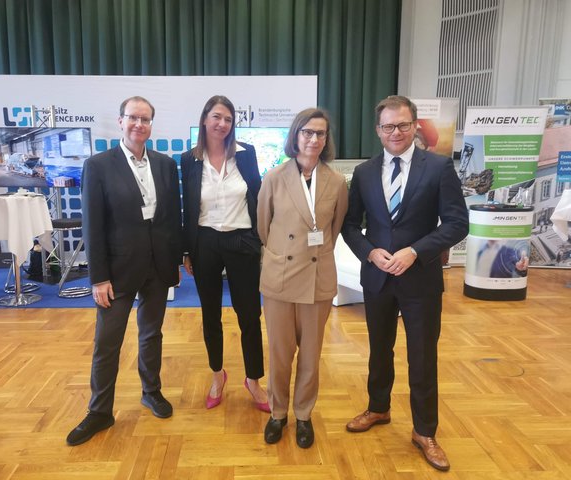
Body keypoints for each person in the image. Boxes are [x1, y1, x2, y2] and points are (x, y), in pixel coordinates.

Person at [342, 95, 468, 471]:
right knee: (379, 351)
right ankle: (378, 408)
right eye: (387, 126)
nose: (395, 132)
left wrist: (416, 251)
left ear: (414, 125)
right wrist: (369, 252)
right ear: (378, 130)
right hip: (378, 278)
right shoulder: (364, 172)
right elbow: (350, 225)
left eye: (402, 125)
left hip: (421, 280)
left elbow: (457, 223)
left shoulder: (440, 168)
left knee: (422, 357)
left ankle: (424, 430)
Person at [66, 96, 182, 446]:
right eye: (133, 118)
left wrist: (176, 259)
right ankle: (100, 411)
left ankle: (152, 391)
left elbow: (171, 218)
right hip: (115, 271)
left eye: (145, 120)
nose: (139, 125)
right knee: (107, 342)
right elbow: (93, 226)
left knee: (152, 334)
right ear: (120, 121)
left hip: (157, 266)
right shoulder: (98, 165)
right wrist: (98, 277)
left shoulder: (164, 164)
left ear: (151, 124)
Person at [257, 108, 348, 449]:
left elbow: (333, 230)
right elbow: (263, 228)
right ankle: (278, 413)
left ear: (326, 141)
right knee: (280, 354)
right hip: (280, 278)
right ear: (295, 135)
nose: (313, 139)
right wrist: (280, 255)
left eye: (320, 134)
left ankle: (304, 414)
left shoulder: (337, 182)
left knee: (310, 354)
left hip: (317, 278)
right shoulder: (274, 177)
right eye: (307, 132)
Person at [181, 95, 269, 412]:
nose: (222, 124)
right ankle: (218, 375)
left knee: (249, 315)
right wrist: (186, 250)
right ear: (205, 119)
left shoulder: (246, 154)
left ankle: (254, 380)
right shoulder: (188, 159)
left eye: (228, 119)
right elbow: (189, 207)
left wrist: (261, 240)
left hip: (242, 240)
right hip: (204, 242)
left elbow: (258, 195)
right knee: (210, 315)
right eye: (217, 116)